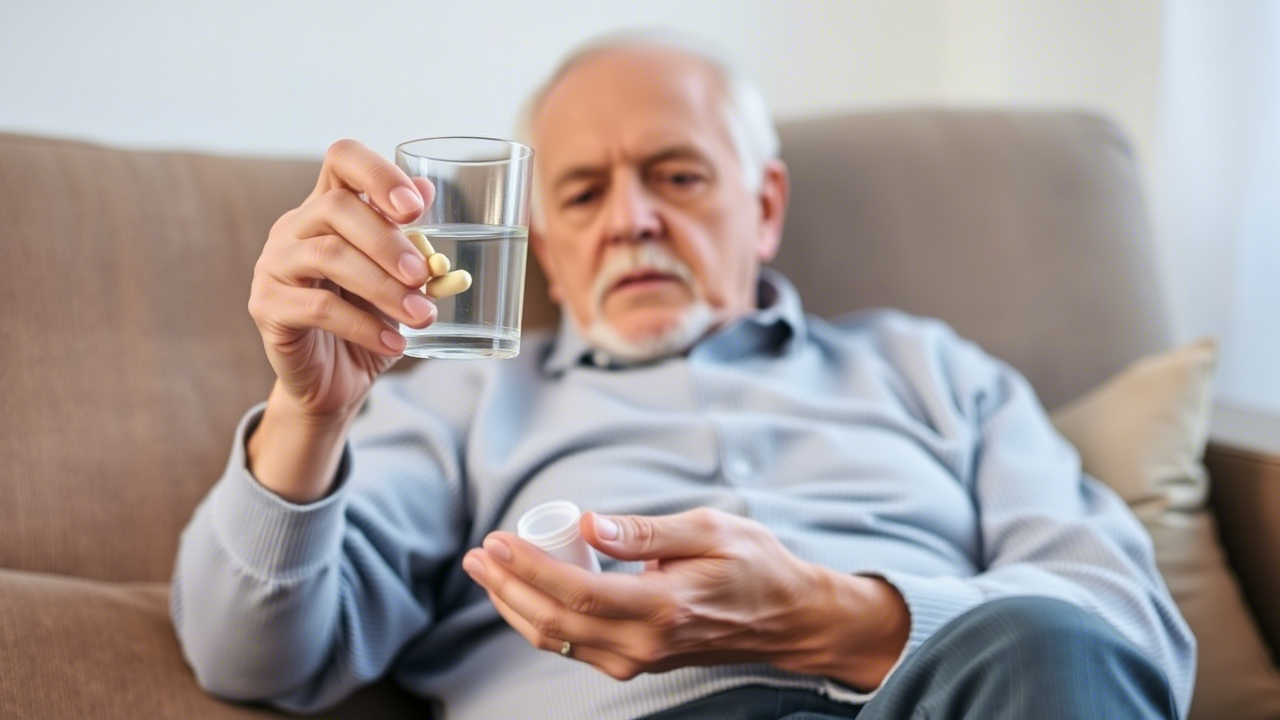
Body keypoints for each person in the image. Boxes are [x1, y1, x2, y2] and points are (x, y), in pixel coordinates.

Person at [171, 31, 1195, 720]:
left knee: (1039, 643)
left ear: (761, 206)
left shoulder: (931, 369)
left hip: (927, 696)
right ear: (544, 246)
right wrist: (308, 415)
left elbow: (1121, 632)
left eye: (677, 175)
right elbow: (249, 656)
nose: (630, 220)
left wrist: (839, 616)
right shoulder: (458, 396)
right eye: (581, 193)